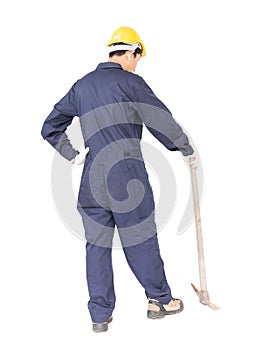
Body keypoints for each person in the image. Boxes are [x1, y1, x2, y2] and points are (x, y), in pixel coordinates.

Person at [41, 26, 197, 332]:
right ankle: (160, 299)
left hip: (91, 180)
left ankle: (99, 315)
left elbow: (50, 126)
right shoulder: (131, 83)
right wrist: (184, 146)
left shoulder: (83, 86)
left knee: (96, 248)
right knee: (140, 239)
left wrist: (72, 154)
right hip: (127, 178)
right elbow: (160, 120)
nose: (138, 63)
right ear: (130, 53)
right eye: (137, 58)